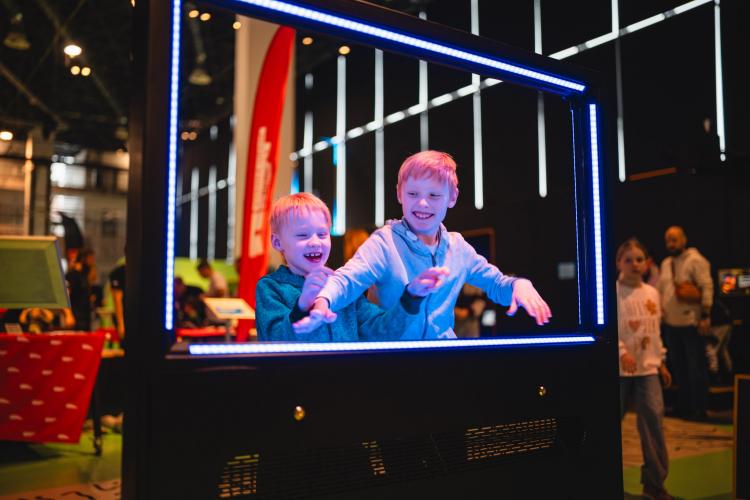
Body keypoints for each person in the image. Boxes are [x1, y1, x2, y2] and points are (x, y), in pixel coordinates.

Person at [305, 150, 552, 339]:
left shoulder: (458, 247)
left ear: (452, 197)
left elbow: (496, 284)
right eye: (413, 194)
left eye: (434, 195)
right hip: (391, 362)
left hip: (441, 359)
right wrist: (324, 299)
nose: (423, 203)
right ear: (399, 193)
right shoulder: (385, 242)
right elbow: (347, 279)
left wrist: (519, 285)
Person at [255, 193, 445, 342]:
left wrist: (411, 297)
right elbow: (275, 341)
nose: (315, 242)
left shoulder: (343, 286)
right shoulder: (270, 288)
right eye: (302, 235)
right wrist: (302, 307)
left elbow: (382, 332)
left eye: (322, 234)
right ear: (277, 242)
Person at [617, 238, 673, 500]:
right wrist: (622, 352)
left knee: (653, 424)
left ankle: (654, 483)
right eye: (628, 259)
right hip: (619, 372)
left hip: (648, 369)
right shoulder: (614, 293)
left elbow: (655, 331)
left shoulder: (652, 293)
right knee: (608, 424)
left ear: (647, 263)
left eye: (639, 259)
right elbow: (610, 330)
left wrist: (661, 361)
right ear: (619, 263)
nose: (635, 264)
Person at [657, 226, 713, 420]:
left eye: (674, 239)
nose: (671, 244)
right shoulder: (666, 263)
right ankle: (684, 406)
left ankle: (699, 408)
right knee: (679, 367)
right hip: (671, 324)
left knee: (695, 367)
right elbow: (661, 289)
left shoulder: (696, 260)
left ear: (684, 239)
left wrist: (705, 315)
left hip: (691, 323)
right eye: (668, 240)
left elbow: (707, 286)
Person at [65, 248, 96, 331]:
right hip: (76, 316)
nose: (92, 261)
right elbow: (66, 295)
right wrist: (68, 314)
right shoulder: (73, 275)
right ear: (84, 259)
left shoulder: (84, 274)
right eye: (90, 258)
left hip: (85, 315)